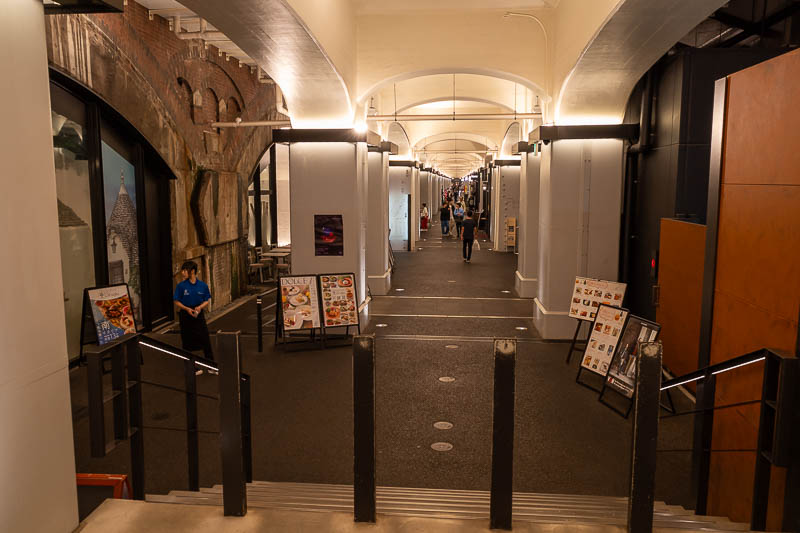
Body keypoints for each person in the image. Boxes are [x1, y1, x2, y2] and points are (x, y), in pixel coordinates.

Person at [173, 261, 215, 375]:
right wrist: (187, 309)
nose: (182, 272)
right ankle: (191, 367)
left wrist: (200, 307)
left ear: (192, 271)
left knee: (205, 338)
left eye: (184, 270)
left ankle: (211, 365)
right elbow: (176, 301)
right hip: (185, 315)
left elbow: (207, 299)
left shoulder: (202, 285)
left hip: (198, 313)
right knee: (186, 341)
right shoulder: (181, 286)